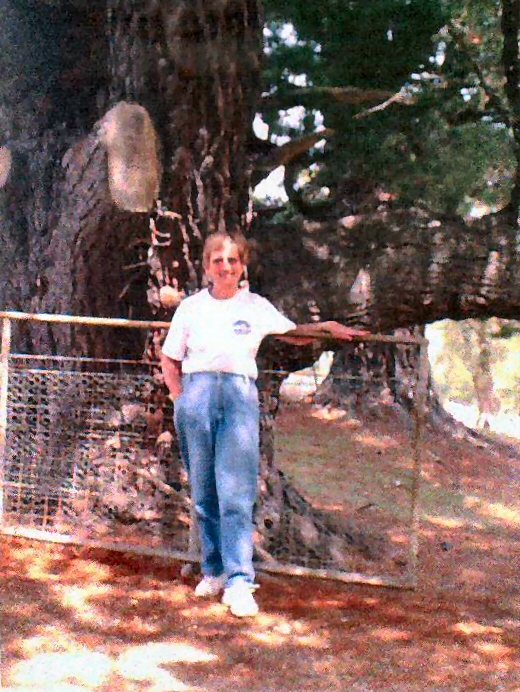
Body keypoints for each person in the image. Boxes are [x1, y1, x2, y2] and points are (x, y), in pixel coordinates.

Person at [160, 232, 367, 617]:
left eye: (233, 261)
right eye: (218, 260)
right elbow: (169, 359)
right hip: (197, 394)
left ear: (242, 266)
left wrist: (329, 328)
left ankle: (240, 582)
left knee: (236, 492)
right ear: (207, 267)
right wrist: (180, 399)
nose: (225, 267)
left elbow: (292, 334)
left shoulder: (255, 306)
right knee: (203, 491)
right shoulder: (190, 309)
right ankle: (213, 570)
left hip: (239, 396)